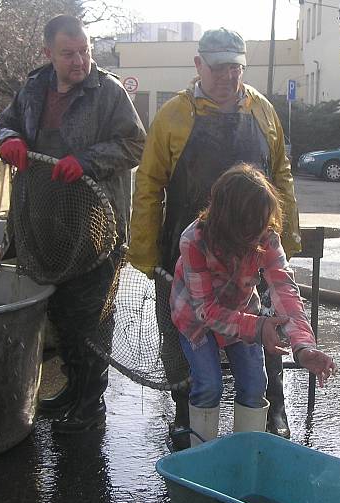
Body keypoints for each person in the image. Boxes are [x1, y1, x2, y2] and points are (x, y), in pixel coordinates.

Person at [127, 27, 301, 450]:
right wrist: (146, 252)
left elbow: (280, 175)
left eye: (236, 68)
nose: (228, 76)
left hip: (251, 249)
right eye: (219, 67)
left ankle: (271, 407)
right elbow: (148, 186)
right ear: (198, 65)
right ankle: (187, 412)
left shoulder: (263, 111)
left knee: (263, 331)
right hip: (189, 250)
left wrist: (287, 238)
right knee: (183, 336)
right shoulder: (173, 115)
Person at [0, 15, 146, 434]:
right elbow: (4, 122)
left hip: (97, 227)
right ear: (49, 54)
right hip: (44, 224)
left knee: (91, 315)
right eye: (69, 53)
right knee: (59, 311)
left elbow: (134, 143)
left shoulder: (110, 92)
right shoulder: (32, 88)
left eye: (85, 51)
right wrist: (8, 138)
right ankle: (72, 386)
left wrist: (87, 161)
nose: (79, 61)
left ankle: (90, 402)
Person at [170, 164, 335, 445]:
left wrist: (303, 346)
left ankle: (246, 458)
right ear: (228, 221)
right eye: (252, 226)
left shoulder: (265, 236)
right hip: (196, 318)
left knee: (256, 384)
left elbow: (285, 290)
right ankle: (201, 457)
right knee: (209, 384)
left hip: (244, 312)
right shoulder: (194, 240)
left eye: (264, 223)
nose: (261, 234)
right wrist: (258, 327)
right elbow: (205, 310)